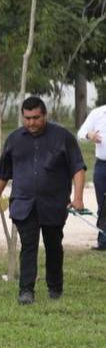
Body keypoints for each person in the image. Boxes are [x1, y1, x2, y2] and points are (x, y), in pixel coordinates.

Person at [0, 96, 86, 304]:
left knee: (53, 245)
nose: (31, 123)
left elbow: (78, 168)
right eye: (27, 118)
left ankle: (55, 286)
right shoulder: (14, 139)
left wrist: (78, 198)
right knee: (28, 246)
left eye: (36, 118)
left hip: (54, 203)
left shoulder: (63, 137)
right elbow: (2, 173)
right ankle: (26, 290)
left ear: (45, 115)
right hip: (24, 204)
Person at [76, 102, 106, 251]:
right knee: (103, 204)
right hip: (102, 165)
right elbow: (81, 133)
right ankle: (104, 241)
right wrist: (90, 135)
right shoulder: (98, 113)